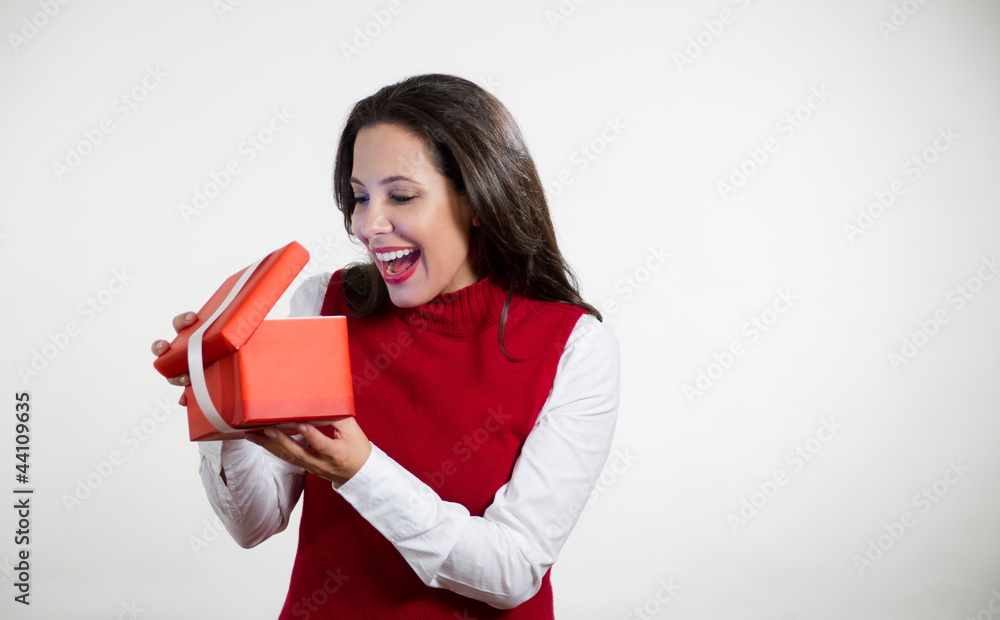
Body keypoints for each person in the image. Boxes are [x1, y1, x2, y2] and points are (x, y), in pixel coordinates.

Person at [151, 73, 620, 618]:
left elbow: (513, 570)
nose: (368, 225)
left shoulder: (573, 348)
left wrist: (360, 471)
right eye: (359, 197)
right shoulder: (324, 305)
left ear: (478, 200)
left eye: (401, 195)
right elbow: (254, 524)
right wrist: (218, 403)